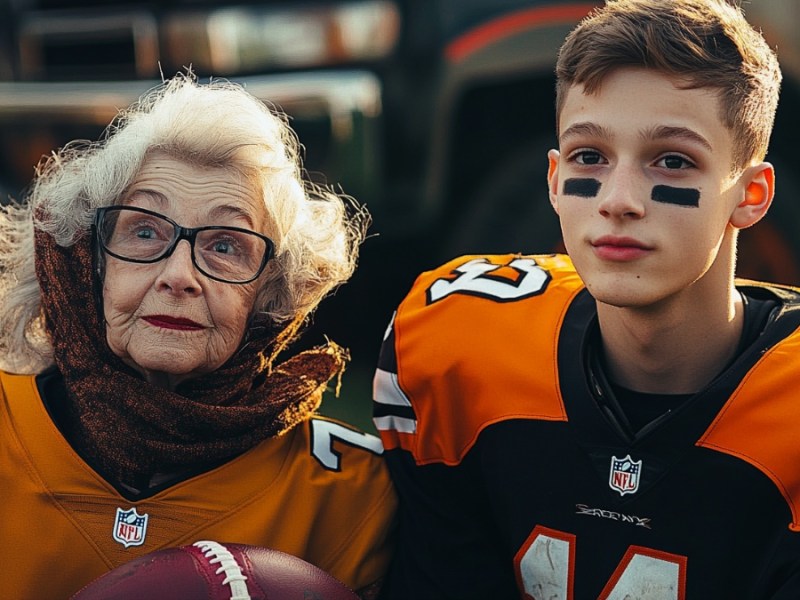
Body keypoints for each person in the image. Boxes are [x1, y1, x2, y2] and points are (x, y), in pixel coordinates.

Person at [372, 0, 800, 597]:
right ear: (553, 180)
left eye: (672, 161)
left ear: (750, 194)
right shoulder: (457, 342)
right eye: (589, 156)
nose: (618, 199)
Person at [0, 73, 396, 599]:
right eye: (144, 231)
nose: (179, 275)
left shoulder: (351, 495)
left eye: (226, 246)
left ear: (271, 292)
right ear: (88, 263)